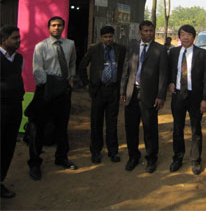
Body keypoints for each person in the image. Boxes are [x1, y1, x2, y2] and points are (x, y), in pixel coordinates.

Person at [26, 16, 78, 181]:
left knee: (61, 127)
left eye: (59, 25)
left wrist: (69, 81)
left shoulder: (70, 44)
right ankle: (35, 164)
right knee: (38, 129)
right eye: (53, 25)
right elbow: (37, 69)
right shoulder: (41, 46)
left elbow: (72, 64)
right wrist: (48, 87)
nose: (56, 28)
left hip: (63, 91)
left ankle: (61, 157)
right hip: (45, 91)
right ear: (48, 28)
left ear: (63, 27)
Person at [120, 20, 168, 173]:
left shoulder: (160, 49)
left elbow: (163, 75)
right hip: (131, 93)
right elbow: (126, 70)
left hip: (150, 95)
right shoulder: (133, 47)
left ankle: (151, 158)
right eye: (145, 31)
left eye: (151, 31)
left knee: (150, 129)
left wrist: (161, 95)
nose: (148, 33)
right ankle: (133, 156)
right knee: (131, 128)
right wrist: (122, 91)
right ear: (140, 32)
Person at [79, 26, 126, 164]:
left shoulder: (120, 49)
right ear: (101, 37)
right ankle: (95, 152)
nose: (108, 39)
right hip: (98, 91)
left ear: (113, 37)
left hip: (113, 91)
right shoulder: (94, 49)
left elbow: (124, 68)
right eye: (105, 37)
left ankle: (113, 152)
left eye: (110, 36)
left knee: (112, 123)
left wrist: (121, 87)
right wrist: (87, 83)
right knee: (96, 122)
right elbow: (82, 66)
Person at [168, 24, 206, 175]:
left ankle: (195, 160)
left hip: (195, 97)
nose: (185, 37)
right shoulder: (173, 52)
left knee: (195, 129)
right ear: (179, 37)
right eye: (183, 34)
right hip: (178, 95)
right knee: (177, 128)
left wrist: (205, 99)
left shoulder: (202, 53)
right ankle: (177, 158)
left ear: (194, 37)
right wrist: (171, 82)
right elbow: (169, 70)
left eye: (188, 34)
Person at [0, 26, 24, 199]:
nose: (18, 41)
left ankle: (0, 180)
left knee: (8, 145)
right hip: (1, 108)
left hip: (16, 107)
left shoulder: (19, 58)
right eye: (15, 38)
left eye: (19, 37)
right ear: (4, 40)